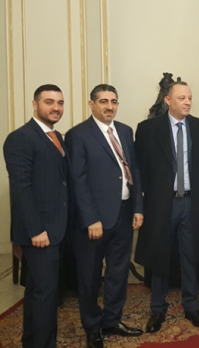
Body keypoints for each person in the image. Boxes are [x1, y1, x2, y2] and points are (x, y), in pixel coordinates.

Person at [65, 84, 144, 348]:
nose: (109, 106)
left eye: (113, 101)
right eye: (103, 102)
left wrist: (138, 207)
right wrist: (90, 219)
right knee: (89, 276)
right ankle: (92, 326)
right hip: (94, 220)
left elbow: (134, 171)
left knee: (118, 273)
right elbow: (78, 180)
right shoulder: (78, 135)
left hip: (124, 214)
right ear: (92, 104)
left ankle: (112, 320)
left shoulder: (125, 131)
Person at [135, 81, 199, 333]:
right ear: (168, 100)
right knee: (160, 255)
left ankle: (192, 306)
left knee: (190, 255)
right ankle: (158, 309)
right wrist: (147, 199)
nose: (188, 102)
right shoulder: (147, 129)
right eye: (182, 98)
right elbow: (140, 168)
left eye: (190, 98)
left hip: (191, 202)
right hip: (161, 204)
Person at [3, 84, 68, 348]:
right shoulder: (20, 138)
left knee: (37, 290)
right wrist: (35, 230)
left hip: (55, 228)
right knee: (45, 294)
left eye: (60, 103)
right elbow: (21, 188)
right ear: (35, 104)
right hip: (40, 231)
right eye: (49, 102)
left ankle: (32, 342)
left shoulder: (56, 136)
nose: (56, 108)